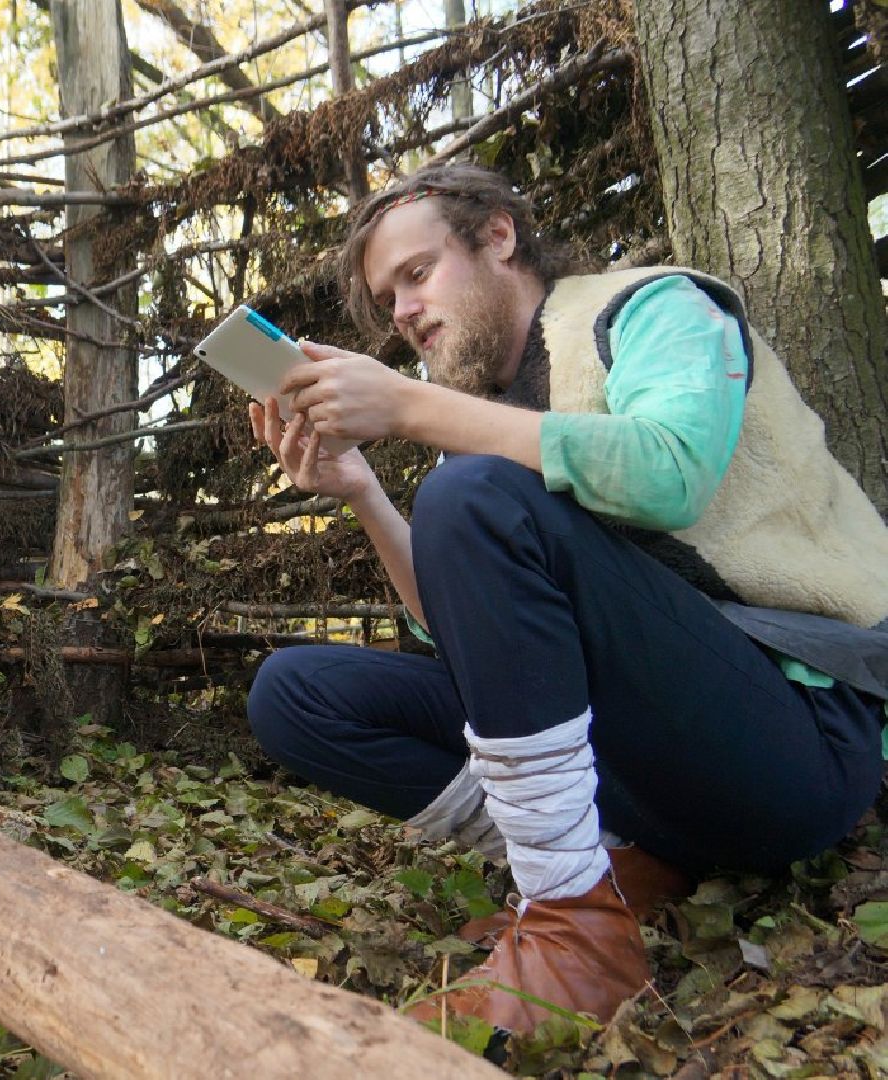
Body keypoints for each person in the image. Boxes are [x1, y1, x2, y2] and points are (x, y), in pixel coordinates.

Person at [243, 163, 888, 1032]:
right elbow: (467, 641)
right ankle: (606, 868)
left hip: (797, 737)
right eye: (387, 296)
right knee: (293, 696)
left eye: (417, 273)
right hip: (638, 764)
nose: (401, 312)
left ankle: (573, 931)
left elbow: (671, 472)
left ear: (499, 235)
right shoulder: (470, 425)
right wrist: (362, 490)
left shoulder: (655, 308)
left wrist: (411, 409)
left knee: (471, 496)